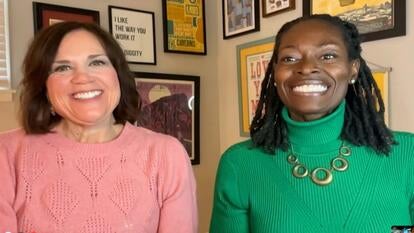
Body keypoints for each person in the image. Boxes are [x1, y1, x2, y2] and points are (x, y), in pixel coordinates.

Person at [210, 14, 414, 232]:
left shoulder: (407, 155)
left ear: (352, 69)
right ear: (275, 72)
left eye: (328, 55)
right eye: (290, 58)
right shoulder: (240, 164)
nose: (306, 68)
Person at [0, 22, 197, 232]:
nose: (83, 78)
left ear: (117, 76)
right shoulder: (7, 153)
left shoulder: (167, 154)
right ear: (44, 89)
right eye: (62, 68)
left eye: (97, 63)